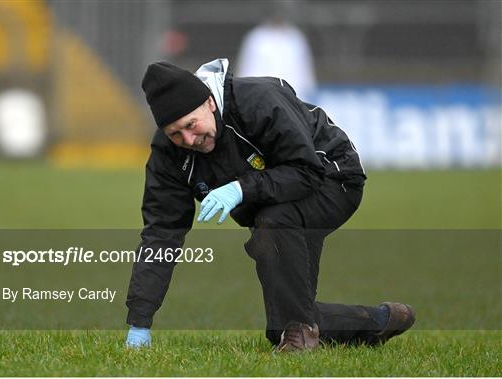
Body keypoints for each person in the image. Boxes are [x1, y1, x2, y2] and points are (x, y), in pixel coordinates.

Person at [125, 58, 415, 351]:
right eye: (176, 134)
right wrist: (139, 322)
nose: (189, 139)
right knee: (284, 325)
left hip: (333, 178)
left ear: (209, 103)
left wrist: (240, 188)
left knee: (272, 223)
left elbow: (306, 170)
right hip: (272, 204)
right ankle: (379, 321)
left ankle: (301, 336)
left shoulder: (259, 100)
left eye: (191, 125)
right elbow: (161, 232)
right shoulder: (168, 155)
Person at [236, 15, 316, 101]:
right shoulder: (256, 37)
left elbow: (304, 70)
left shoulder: (296, 37)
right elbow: (246, 68)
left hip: (293, 96)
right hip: (260, 96)